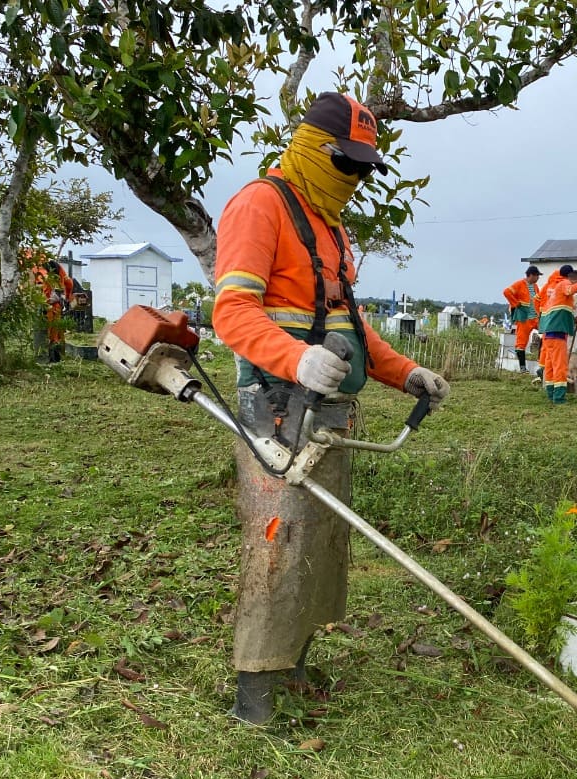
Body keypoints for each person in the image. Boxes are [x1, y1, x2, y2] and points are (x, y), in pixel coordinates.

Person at [211, 91, 451, 724]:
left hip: (330, 405)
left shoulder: (332, 227)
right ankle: (254, 694)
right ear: (313, 148)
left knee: (322, 537)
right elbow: (232, 312)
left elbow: (350, 324)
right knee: (279, 540)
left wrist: (407, 374)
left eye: (362, 167)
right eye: (344, 162)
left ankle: (294, 659)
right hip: (275, 403)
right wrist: (294, 360)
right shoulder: (260, 205)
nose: (352, 177)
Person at [537, 266, 577, 403]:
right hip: (557, 335)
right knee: (560, 367)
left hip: (549, 334)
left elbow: (560, 312)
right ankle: (559, 397)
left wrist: (573, 319)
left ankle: (551, 393)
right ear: (574, 279)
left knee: (550, 366)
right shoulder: (565, 284)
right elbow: (570, 289)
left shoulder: (557, 293)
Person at [502, 265, 543, 372]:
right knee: (521, 342)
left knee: (547, 334)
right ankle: (522, 367)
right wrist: (515, 304)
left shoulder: (535, 287)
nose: (538, 278)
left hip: (536, 317)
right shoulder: (519, 284)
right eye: (537, 276)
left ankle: (542, 361)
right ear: (531, 275)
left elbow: (538, 300)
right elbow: (506, 292)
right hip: (524, 318)